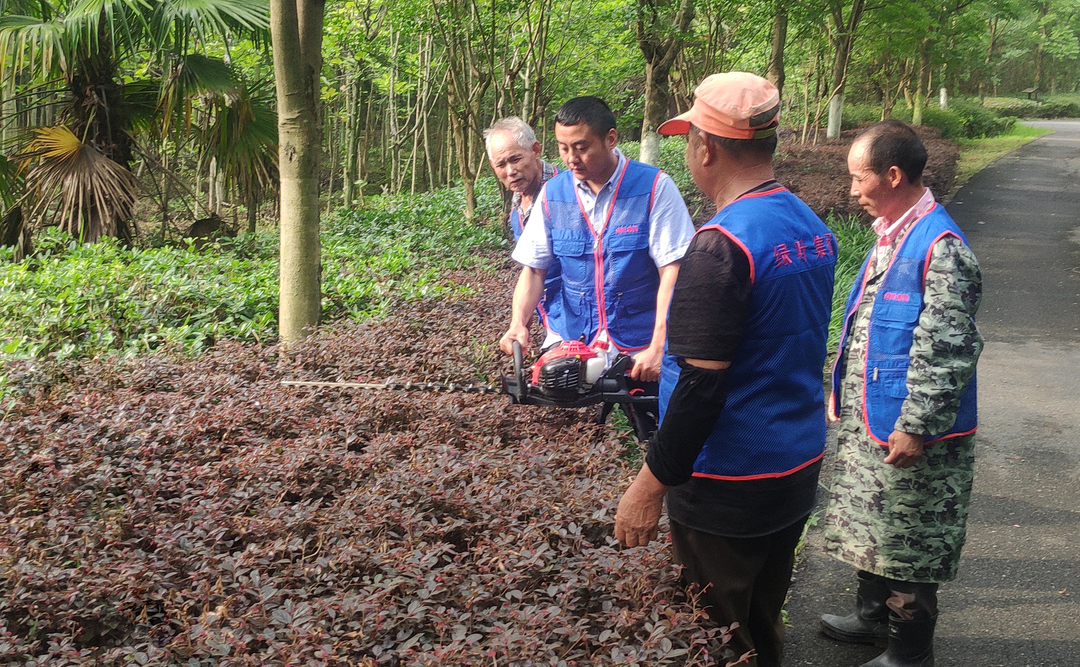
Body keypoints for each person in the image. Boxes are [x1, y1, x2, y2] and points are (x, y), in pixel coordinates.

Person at [613, 72, 837, 667]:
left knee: (716, 636)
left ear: (704, 148)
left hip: (729, 482)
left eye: (689, 140)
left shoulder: (721, 246)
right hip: (795, 462)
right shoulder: (810, 226)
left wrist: (648, 485)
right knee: (763, 617)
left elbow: (701, 385)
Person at [820, 120, 983, 667]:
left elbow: (948, 351)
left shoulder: (940, 248)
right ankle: (872, 620)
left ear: (892, 175)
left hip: (910, 426)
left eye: (857, 178)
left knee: (908, 537)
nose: (851, 190)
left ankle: (909, 654)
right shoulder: (893, 233)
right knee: (876, 522)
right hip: (876, 414)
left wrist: (917, 424)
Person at [498, 96, 694, 384]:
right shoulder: (553, 195)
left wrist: (658, 346)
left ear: (610, 138)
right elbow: (534, 269)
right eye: (563, 148)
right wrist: (518, 323)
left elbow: (673, 271)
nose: (570, 159)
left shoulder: (654, 187)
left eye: (581, 147)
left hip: (640, 338)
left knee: (655, 419)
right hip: (574, 336)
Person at [485, 117, 561, 339]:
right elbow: (532, 268)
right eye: (501, 165)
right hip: (550, 316)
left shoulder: (568, 194)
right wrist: (521, 322)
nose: (510, 171)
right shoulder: (516, 207)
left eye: (516, 159)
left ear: (535, 150)